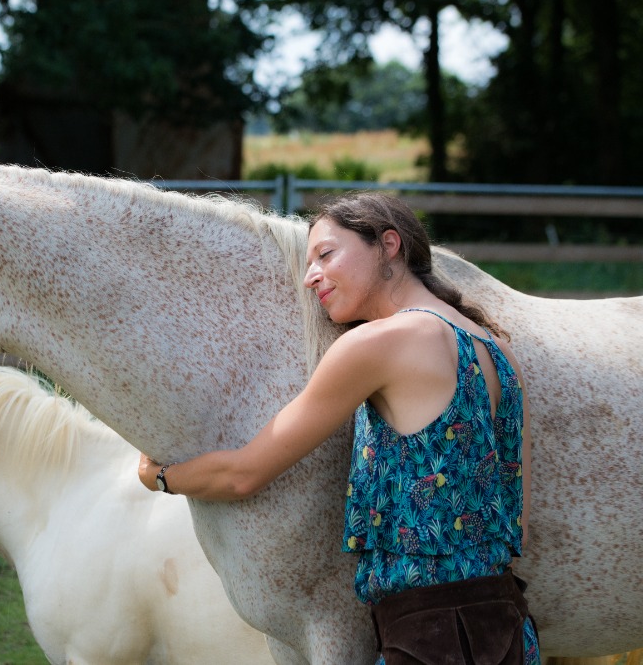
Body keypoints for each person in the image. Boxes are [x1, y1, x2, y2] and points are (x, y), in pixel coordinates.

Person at [138, 192, 539, 664]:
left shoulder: (380, 343)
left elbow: (243, 474)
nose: (310, 277)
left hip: (429, 640)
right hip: (510, 632)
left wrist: (159, 476)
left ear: (389, 245)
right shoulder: (497, 351)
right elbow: (518, 526)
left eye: (325, 255)